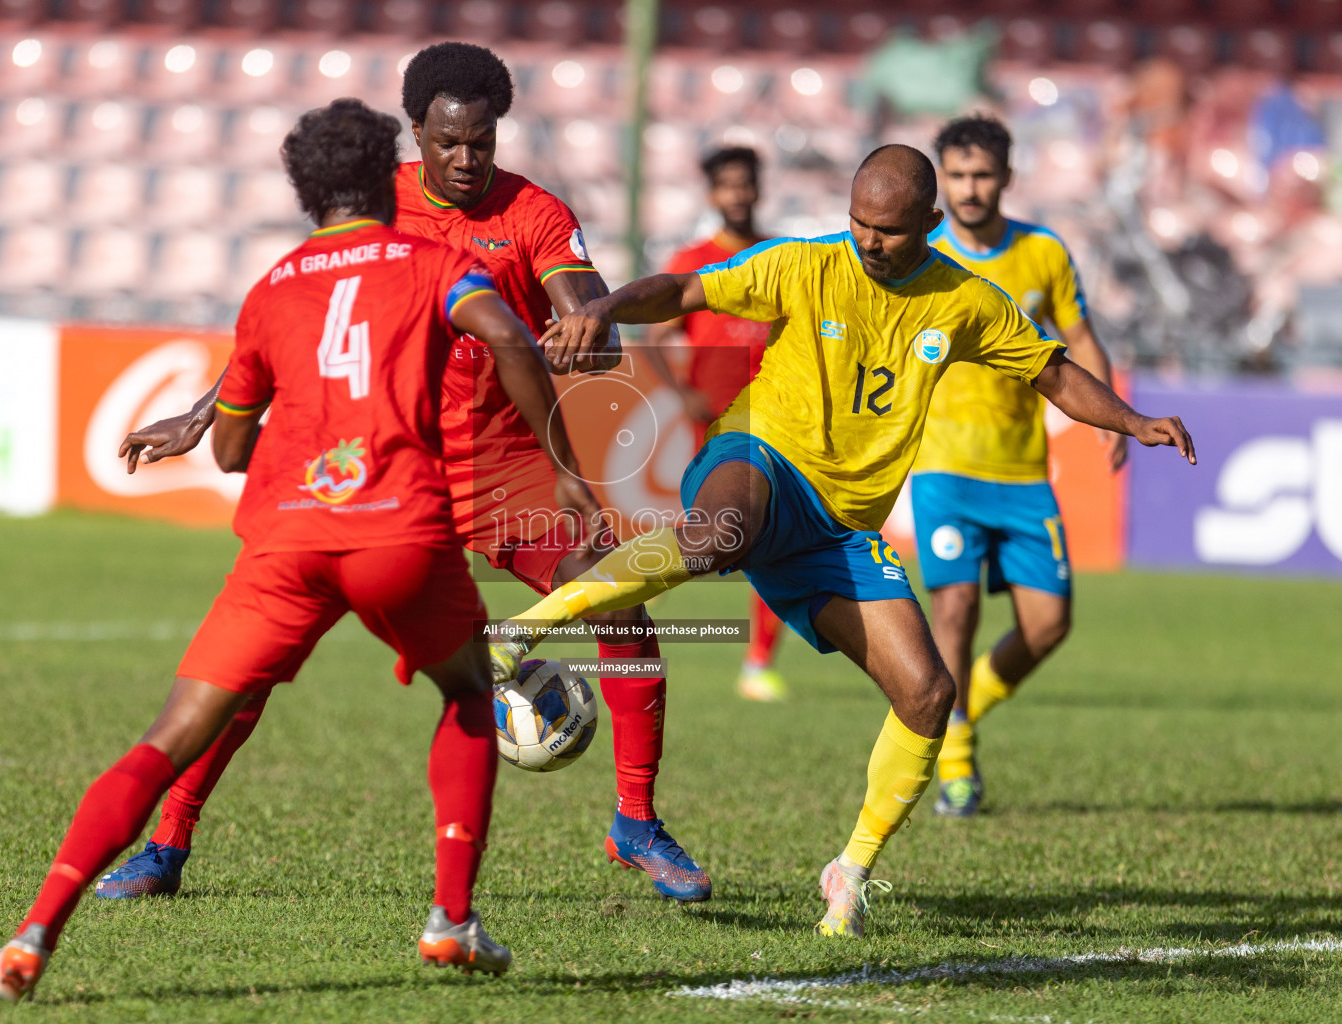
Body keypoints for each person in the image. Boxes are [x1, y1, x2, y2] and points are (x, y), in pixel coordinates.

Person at [490, 145, 1195, 938]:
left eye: (889, 230)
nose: (868, 240)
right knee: (719, 531)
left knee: (928, 694)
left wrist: (1134, 421)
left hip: (841, 530)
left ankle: (848, 873)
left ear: (929, 224)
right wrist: (605, 308)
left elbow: (1054, 372)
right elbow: (685, 289)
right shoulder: (805, 264)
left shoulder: (965, 302)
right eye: (858, 222)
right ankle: (516, 636)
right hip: (757, 457)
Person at [112, 43, 711, 904]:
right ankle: (167, 841)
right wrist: (207, 412)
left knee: (616, 596)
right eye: (448, 143)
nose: (467, 161)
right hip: (388, 462)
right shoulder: (373, 202)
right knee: (250, 659)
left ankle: (636, 821)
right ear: (417, 133)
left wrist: (592, 325)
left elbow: (583, 296)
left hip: (508, 466)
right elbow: (304, 314)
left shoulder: (536, 212)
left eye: (483, 142)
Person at [0, 99, 534, 1002]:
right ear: (388, 176)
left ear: (305, 191)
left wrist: (250, 415)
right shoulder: (441, 263)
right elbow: (508, 336)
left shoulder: (273, 287)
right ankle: (451, 920)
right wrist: (570, 468)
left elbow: (231, 452)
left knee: (168, 736)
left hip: (289, 536)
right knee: (471, 694)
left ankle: (31, 938)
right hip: (400, 530)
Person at [915, 115, 1128, 819]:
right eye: (957, 176)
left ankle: (966, 700)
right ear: (942, 179)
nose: (970, 189)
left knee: (1048, 626)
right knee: (955, 605)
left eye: (981, 175)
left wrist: (1111, 418)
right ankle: (956, 759)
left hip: (1022, 471)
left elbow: (1082, 339)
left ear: (1006, 177)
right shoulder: (922, 258)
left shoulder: (1042, 253)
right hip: (943, 466)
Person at [643, 146, 789, 704]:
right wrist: (682, 391)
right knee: (705, 533)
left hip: (777, 421)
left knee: (773, 538)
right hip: (716, 423)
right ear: (713, 194)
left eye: (746, 183)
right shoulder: (693, 260)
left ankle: (758, 663)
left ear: (758, 188)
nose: (738, 194)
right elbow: (658, 336)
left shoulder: (781, 256)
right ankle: (643, 595)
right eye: (727, 185)